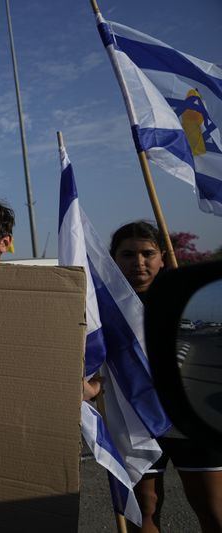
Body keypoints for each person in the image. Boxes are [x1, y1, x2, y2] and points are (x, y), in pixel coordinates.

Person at [110, 221, 222, 533]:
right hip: (136, 421)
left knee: (212, 509)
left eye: (147, 253)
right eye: (128, 254)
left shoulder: (186, 297)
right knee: (144, 508)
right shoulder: (100, 306)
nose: (139, 262)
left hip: (190, 418)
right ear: (114, 258)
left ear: (162, 256)